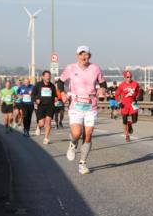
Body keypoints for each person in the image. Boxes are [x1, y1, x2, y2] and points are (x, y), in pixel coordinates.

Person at [60, 46, 107, 175]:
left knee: (88, 134)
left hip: (91, 105)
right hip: (76, 105)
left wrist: (102, 89)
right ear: (77, 56)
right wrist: (63, 93)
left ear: (89, 56)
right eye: (81, 54)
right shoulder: (70, 68)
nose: (83, 57)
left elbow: (103, 83)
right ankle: (73, 143)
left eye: (85, 54)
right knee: (76, 133)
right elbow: (60, 81)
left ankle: (82, 163)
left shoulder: (95, 68)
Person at [33, 70, 58, 145]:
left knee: (48, 121)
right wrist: (36, 100)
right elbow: (33, 95)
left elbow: (55, 95)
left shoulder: (52, 85)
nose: (48, 77)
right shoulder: (38, 85)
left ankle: (46, 138)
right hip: (41, 106)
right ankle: (38, 126)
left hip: (50, 106)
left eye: (49, 76)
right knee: (42, 123)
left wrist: (56, 98)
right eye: (46, 76)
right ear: (43, 77)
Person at [116, 70, 141, 142]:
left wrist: (138, 96)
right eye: (127, 77)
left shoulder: (135, 84)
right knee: (124, 121)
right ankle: (127, 135)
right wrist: (119, 102)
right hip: (124, 103)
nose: (129, 78)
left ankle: (130, 124)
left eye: (130, 77)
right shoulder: (121, 85)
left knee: (135, 120)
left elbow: (138, 91)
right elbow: (117, 95)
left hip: (133, 103)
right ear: (124, 77)